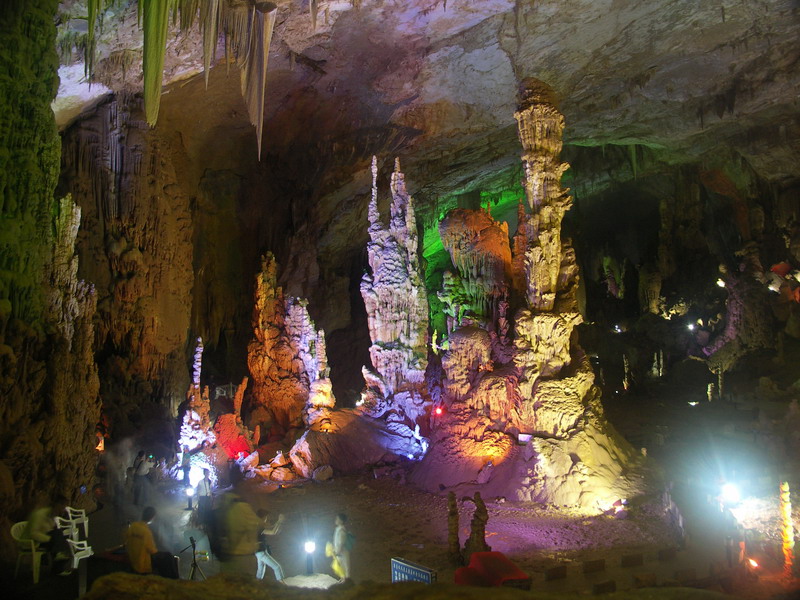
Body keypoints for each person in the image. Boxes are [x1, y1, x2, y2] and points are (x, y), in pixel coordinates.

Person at [255, 509, 286, 582]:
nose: (266, 519)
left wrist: (278, 522)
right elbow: (273, 532)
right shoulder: (259, 527)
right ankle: (282, 584)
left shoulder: (257, 525)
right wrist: (280, 521)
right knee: (277, 567)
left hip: (259, 551)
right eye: (266, 517)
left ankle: (257, 584)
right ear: (263, 517)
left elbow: (271, 527)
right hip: (261, 552)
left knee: (261, 569)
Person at [125, 506, 158, 574]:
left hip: (131, 559)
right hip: (142, 565)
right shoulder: (146, 532)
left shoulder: (133, 526)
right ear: (152, 517)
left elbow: (126, 538)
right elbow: (151, 549)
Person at [330, 513, 351, 581]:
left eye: (337, 519)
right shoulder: (339, 529)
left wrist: (337, 551)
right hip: (340, 552)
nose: (336, 520)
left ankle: (346, 583)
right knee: (341, 568)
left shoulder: (341, 530)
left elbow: (341, 543)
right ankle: (343, 581)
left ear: (341, 521)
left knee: (344, 568)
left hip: (342, 552)